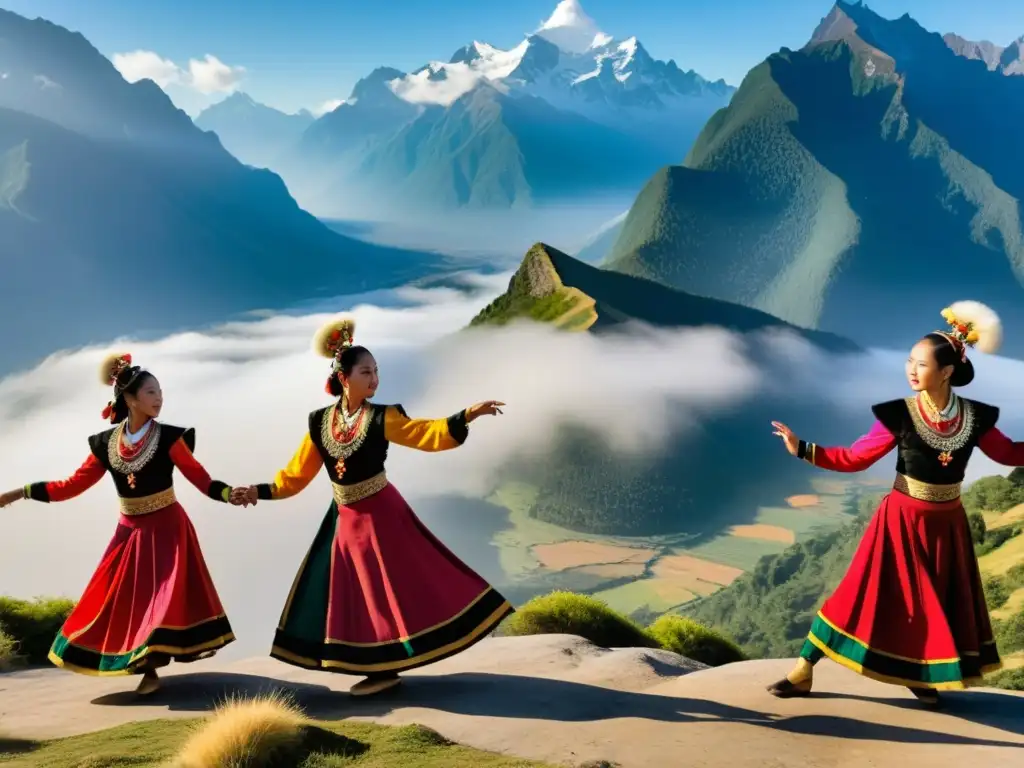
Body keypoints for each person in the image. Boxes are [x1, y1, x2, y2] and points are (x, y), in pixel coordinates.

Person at [231, 315, 514, 697]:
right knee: (359, 596)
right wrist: (259, 491)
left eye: (376, 372)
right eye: (366, 372)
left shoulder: (383, 417)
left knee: (398, 589)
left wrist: (466, 415)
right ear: (344, 378)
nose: (375, 380)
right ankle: (378, 667)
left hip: (384, 515)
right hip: (346, 523)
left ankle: (387, 667)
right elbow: (295, 477)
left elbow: (425, 433)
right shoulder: (319, 424)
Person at [766, 301, 1024, 708]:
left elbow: (1009, 453)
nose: (910, 369)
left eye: (920, 364)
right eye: (909, 361)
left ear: (947, 372)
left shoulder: (975, 418)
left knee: (934, 606)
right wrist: (804, 449)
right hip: (899, 522)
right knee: (861, 594)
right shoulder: (899, 414)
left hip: (948, 527)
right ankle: (804, 667)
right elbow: (856, 458)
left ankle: (920, 676)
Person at [0, 353, 241, 695]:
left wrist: (231, 494)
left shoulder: (171, 438)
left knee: (161, 601)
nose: (159, 399)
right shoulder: (105, 444)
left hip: (169, 530)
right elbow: (71, 486)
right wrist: (18, 492)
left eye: (160, 392)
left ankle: (151, 671)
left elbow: (202, 480)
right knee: (120, 601)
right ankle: (138, 666)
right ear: (129, 398)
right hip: (129, 532)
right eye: (151, 393)